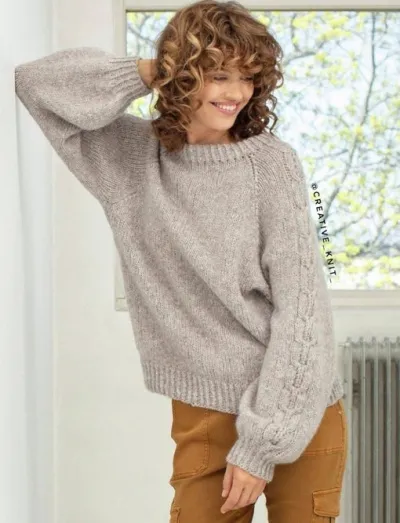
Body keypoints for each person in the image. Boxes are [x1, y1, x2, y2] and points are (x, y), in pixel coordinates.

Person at [14, 0, 348, 521]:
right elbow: (37, 84)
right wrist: (153, 70)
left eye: (247, 77)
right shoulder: (130, 157)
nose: (236, 93)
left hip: (295, 403)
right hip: (206, 411)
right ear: (183, 71)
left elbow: (303, 309)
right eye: (218, 74)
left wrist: (263, 442)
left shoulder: (271, 164)